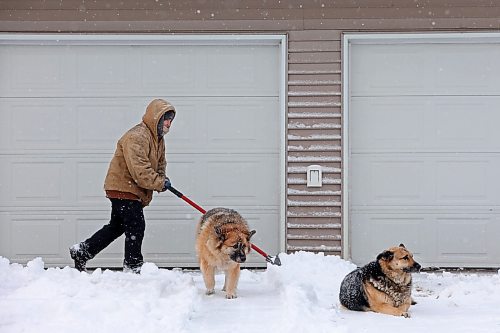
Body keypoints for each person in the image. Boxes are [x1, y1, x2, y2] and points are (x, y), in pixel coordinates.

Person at [70, 99, 176, 273]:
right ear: (155, 117)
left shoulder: (157, 139)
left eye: (171, 119)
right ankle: (133, 266)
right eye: (166, 118)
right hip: (123, 187)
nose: (168, 123)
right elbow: (140, 170)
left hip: (130, 189)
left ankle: (82, 251)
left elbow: (160, 163)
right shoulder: (137, 136)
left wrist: (162, 177)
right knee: (136, 225)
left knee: (117, 226)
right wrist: (158, 182)